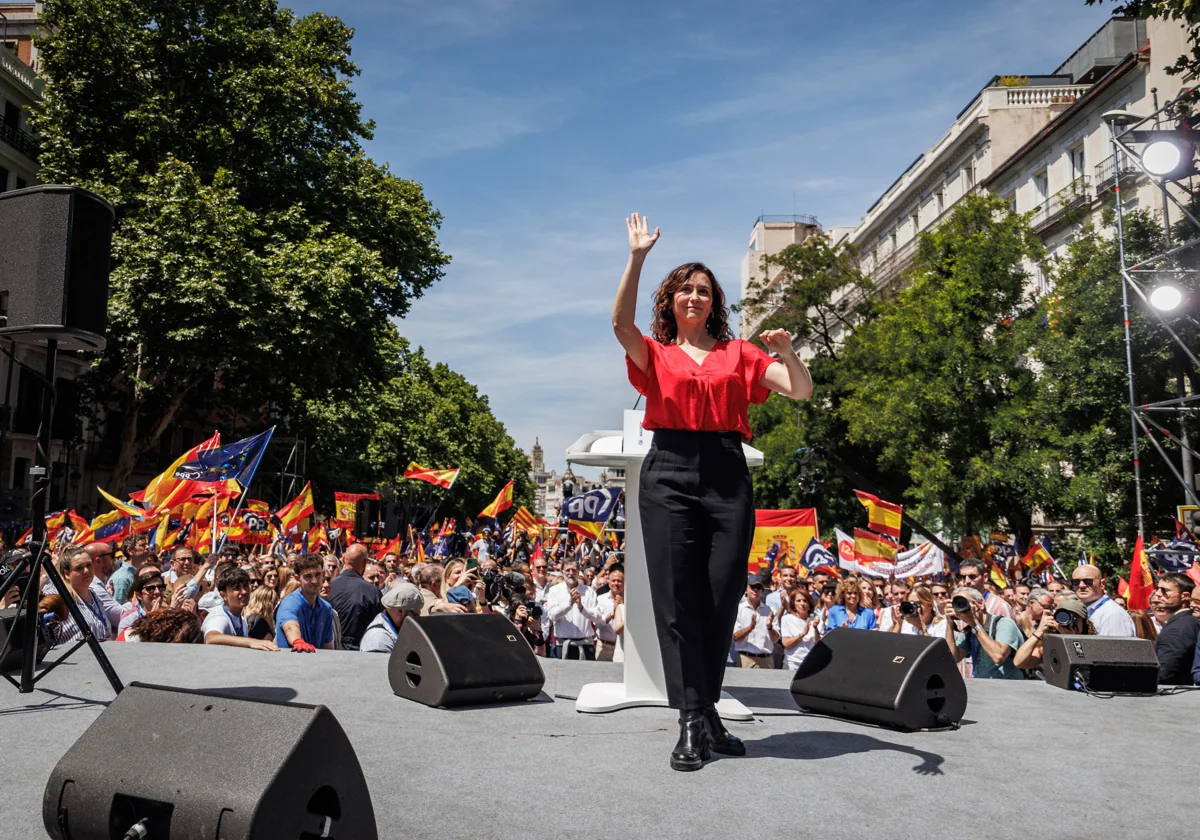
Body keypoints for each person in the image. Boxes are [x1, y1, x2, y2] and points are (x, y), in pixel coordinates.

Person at [614, 213, 812, 772]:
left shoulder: (740, 354)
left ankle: (704, 713)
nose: (695, 296)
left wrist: (788, 350)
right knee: (680, 603)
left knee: (722, 596)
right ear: (672, 300)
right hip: (670, 470)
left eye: (704, 290)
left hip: (727, 471)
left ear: (713, 301)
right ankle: (692, 720)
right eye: (686, 289)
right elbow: (618, 324)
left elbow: (798, 389)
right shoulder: (656, 353)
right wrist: (637, 256)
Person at [945, 587, 1024, 679]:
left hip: (1008, 688)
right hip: (983, 688)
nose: (961, 606)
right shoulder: (970, 630)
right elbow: (953, 658)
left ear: (981, 604)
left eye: (964, 602)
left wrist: (974, 624)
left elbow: (998, 656)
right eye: (957, 604)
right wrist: (950, 624)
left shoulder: (1002, 623)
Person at [201, 567, 279, 651]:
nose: (244, 592)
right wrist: (251, 642)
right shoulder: (219, 616)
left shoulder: (241, 619)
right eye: (237, 588)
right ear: (223, 595)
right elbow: (211, 638)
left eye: (245, 586)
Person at [49, 544, 111, 645]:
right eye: (79, 568)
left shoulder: (94, 595)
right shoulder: (58, 598)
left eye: (89, 565)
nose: (86, 571)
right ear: (66, 574)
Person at [1013, 596, 1094, 673]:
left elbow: (1082, 664)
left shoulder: (1092, 644)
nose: (1069, 622)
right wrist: (1039, 631)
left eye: (1075, 618)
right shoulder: (1051, 644)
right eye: (1064, 616)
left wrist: (1070, 639)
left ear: (1084, 623)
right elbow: (1019, 662)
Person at [545, 560, 606, 660]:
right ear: (562, 571)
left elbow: (598, 618)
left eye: (573, 570)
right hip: (563, 645)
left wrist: (582, 608)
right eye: (567, 570)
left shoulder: (589, 591)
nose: (570, 573)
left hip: (585, 646)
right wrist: (569, 604)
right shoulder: (554, 591)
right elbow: (552, 616)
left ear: (578, 571)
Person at [276, 554, 335, 651]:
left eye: (318, 575)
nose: (314, 581)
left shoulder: (326, 608)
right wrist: (297, 641)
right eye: (308, 576)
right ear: (297, 578)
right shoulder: (289, 603)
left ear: (323, 575)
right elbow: (290, 626)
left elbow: (327, 646)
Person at [328, 544, 381, 650]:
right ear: (365, 563)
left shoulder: (326, 587)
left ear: (343, 559)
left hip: (329, 650)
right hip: (358, 653)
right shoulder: (373, 592)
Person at [1150, 572, 1197, 685]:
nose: (1157, 594)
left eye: (1164, 590)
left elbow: (1164, 673)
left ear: (1185, 596)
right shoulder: (1187, 621)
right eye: (1157, 589)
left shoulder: (1178, 629)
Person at [1070, 564, 1135, 637]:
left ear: (1102, 584)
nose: (1081, 585)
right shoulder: (1083, 611)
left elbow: (1115, 647)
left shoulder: (1112, 614)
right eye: (1075, 582)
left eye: (1088, 581)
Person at [360, 581, 424, 653]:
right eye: (415, 615)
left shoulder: (390, 626)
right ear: (400, 611)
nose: (417, 619)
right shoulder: (379, 640)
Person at [733, 576, 779, 668]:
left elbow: (775, 639)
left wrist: (769, 627)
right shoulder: (738, 609)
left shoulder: (770, 611)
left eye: (758, 588)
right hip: (746, 658)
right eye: (752, 587)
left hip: (766, 659)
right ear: (746, 589)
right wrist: (750, 628)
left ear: (762, 591)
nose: (756, 590)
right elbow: (735, 638)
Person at [83, 541, 124, 632]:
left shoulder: (102, 584)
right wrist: (136, 603)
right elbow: (121, 616)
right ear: (98, 560)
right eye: (111, 556)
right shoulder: (94, 587)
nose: (114, 560)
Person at [116, 568, 166, 640]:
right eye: (150, 589)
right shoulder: (128, 622)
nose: (157, 591)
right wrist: (151, 621)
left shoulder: (171, 616)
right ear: (139, 595)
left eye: (161, 587)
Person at [779, 587, 820, 670]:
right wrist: (802, 634)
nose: (802, 603)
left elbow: (818, 643)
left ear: (809, 604)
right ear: (793, 604)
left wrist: (815, 628)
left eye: (805, 600)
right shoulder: (787, 619)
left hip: (810, 665)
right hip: (791, 665)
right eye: (798, 601)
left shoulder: (815, 619)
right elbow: (786, 643)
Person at [109, 534, 151, 604]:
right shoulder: (122, 578)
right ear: (130, 551)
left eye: (147, 544)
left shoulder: (139, 573)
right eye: (143, 545)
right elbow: (118, 610)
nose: (147, 547)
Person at [595, 566, 624, 661]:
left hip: (623, 647)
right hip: (604, 646)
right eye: (613, 580)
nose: (616, 583)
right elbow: (597, 623)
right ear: (608, 581)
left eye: (619, 581)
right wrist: (613, 612)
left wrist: (622, 607)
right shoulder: (601, 599)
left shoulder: (630, 600)